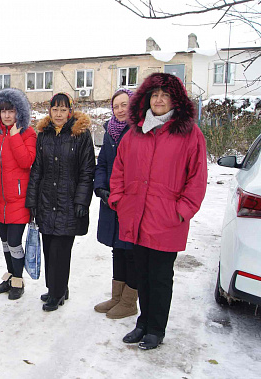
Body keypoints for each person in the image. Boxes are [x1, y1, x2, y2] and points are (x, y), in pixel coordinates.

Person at [109, 73, 207, 350]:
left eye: (165, 95)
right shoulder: (135, 132)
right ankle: (142, 322)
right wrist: (119, 199)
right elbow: (119, 169)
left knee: (161, 277)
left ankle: (156, 328)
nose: (160, 99)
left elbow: (197, 178)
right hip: (137, 216)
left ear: (175, 100)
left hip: (167, 220)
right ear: (146, 99)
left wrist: (182, 210)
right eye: (155, 94)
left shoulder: (189, 133)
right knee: (141, 273)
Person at [26, 93, 95, 312]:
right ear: (50, 111)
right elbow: (37, 170)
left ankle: (56, 293)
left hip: (69, 202)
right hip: (47, 200)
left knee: (62, 250)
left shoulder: (81, 135)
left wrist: (82, 201)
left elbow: (87, 170)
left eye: (63, 110)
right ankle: (56, 287)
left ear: (70, 111)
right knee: (48, 248)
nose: (58, 114)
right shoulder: (44, 135)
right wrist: (32, 200)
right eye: (55, 109)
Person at [0, 88, 36, 300]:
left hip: (18, 199)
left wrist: (14, 136)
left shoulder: (28, 133)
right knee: (5, 243)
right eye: (3, 110)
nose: (6, 115)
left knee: (15, 242)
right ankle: (11, 276)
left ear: (18, 112)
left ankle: (18, 280)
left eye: (11, 111)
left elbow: (26, 161)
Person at [93, 88, 138, 319]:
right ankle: (117, 297)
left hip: (130, 201)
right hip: (110, 200)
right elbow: (101, 164)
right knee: (117, 249)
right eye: (116, 106)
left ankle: (130, 302)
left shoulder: (139, 131)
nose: (120, 110)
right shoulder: (110, 132)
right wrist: (100, 187)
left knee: (131, 251)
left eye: (124, 105)